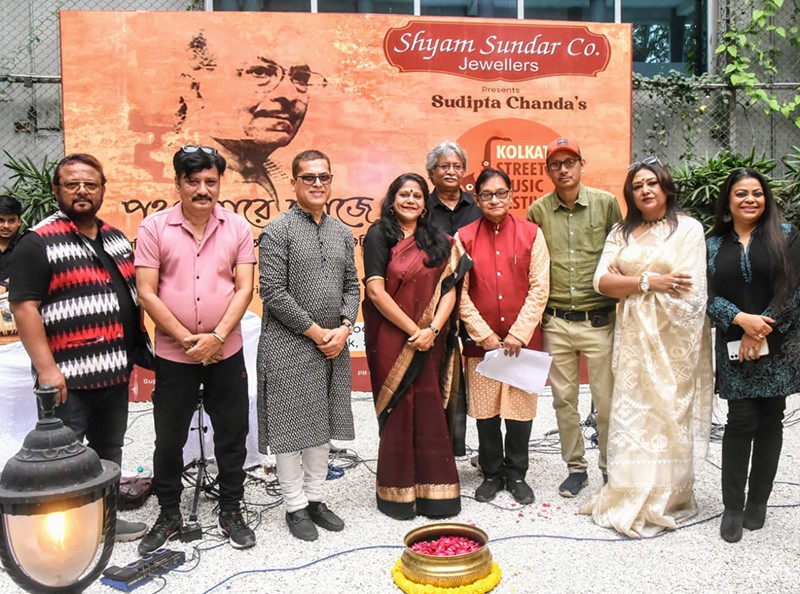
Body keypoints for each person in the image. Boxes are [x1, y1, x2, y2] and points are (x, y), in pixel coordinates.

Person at [8, 154, 152, 542]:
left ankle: (104, 523)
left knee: (109, 450)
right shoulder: (37, 242)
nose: (82, 191)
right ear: (57, 190)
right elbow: (24, 308)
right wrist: (47, 370)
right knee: (63, 456)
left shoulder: (115, 238)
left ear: (103, 189)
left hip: (113, 372)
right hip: (66, 378)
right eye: (72, 184)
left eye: (90, 184)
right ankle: (63, 536)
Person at [581, 157, 713, 537]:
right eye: (637, 186)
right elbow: (601, 282)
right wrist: (650, 282)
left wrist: (629, 281)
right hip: (633, 342)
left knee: (668, 415)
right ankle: (627, 493)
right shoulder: (621, 233)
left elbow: (691, 294)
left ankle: (667, 500)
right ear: (630, 194)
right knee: (632, 416)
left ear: (666, 187)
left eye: (652, 183)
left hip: (673, 346)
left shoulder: (688, 229)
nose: (645, 190)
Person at [135, 146, 257, 554]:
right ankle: (169, 513)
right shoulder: (154, 228)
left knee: (232, 434)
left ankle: (231, 509)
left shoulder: (237, 227)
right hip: (175, 355)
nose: (203, 189)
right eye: (193, 181)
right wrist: (189, 340)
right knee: (168, 438)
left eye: (210, 181)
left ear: (220, 183)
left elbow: (245, 288)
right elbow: (147, 292)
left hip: (226, 351)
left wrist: (217, 337)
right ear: (178, 183)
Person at [257, 149, 359, 541]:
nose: (317, 183)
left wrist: (345, 327)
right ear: (294, 182)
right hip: (288, 345)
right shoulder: (277, 231)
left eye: (323, 177)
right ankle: (294, 505)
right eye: (309, 177)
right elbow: (273, 292)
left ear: (331, 181)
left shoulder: (342, 233)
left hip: (334, 344)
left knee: (321, 424)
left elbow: (352, 286)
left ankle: (315, 498)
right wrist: (317, 333)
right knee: (291, 426)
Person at [363, 172, 467, 520]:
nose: (410, 200)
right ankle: (397, 494)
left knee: (428, 406)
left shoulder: (439, 241)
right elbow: (375, 291)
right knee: (399, 408)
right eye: (404, 194)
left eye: (417, 196)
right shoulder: (380, 235)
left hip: (429, 340)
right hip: (393, 338)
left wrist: (432, 330)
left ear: (425, 205)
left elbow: (450, 288)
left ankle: (437, 493)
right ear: (392, 200)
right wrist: (415, 331)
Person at [706, 168, 800, 543]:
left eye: (757, 193)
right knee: (740, 420)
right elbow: (705, 295)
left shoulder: (788, 235)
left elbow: (793, 289)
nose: (750, 199)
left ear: (766, 198)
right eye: (741, 193)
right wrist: (740, 319)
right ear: (728, 201)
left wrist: (760, 328)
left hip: (778, 346)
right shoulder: (712, 244)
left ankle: (758, 501)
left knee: (771, 419)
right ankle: (733, 506)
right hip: (735, 349)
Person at [527, 137, 622, 498]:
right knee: (564, 400)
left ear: (582, 164)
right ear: (548, 170)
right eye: (556, 164)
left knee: (606, 401)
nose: (563, 170)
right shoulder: (538, 211)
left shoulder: (606, 204)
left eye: (570, 162)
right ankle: (576, 469)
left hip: (599, 319)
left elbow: (620, 254)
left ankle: (610, 469)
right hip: (557, 321)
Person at [457, 168, 550, 504]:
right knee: (486, 414)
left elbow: (540, 287)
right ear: (477, 198)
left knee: (520, 412)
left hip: (522, 345)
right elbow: (459, 292)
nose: (494, 200)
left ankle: (517, 474)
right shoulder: (463, 237)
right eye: (486, 194)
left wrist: (519, 333)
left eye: (500, 193)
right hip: (482, 346)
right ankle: (492, 473)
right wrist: (482, 334)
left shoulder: (531, 234)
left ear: (511, 196)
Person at [175, 30, 326, 210]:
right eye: (260, 72)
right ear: (193, 87)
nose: (289, 95)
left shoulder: (287, 183)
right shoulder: (167, 172)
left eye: (301, 79)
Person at [425, 141, 482, 456]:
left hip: (476, 303)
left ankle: (485, 453)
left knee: (481, 376)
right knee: (437, 376)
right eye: (444, 166)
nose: (451, 171)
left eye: (457, 166)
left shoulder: (478, 207)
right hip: (434, 306)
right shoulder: (421, 208)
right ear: (431, 172)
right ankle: (437, 451)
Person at [0, 194, 22, 294]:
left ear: (19, 221)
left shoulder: (28, 245)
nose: (6, 226)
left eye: (11, 221)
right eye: (1, 220)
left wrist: (5, 285)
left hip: (18, 299)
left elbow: (32, 272)